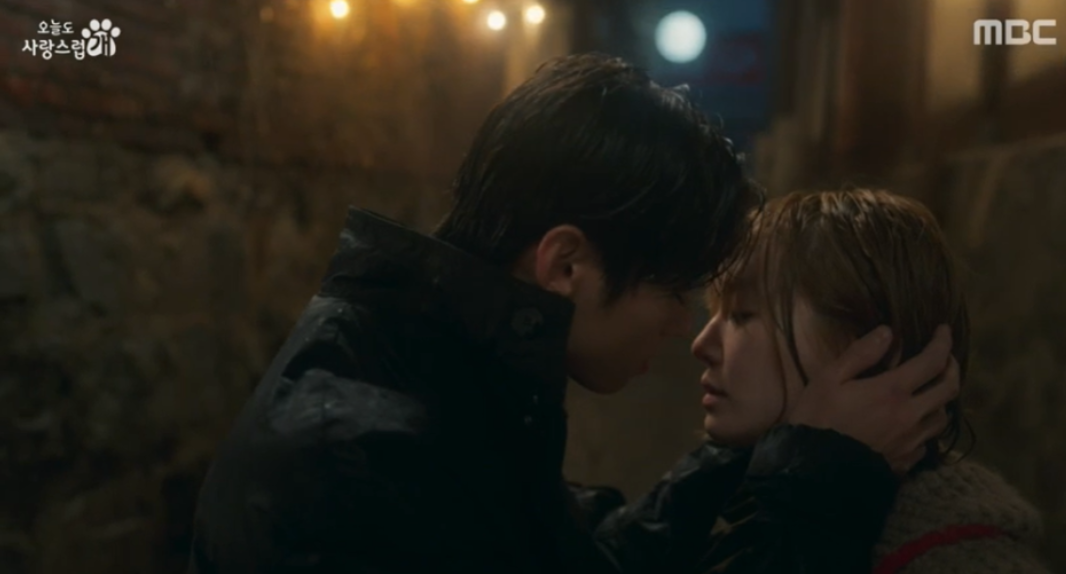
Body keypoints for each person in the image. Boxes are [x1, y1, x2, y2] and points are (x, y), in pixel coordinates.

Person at [188, 54, 959, 574]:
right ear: (565, 266)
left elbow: (577, 559)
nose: (685, 331)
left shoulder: (428, 370)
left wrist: (763, 451)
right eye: (675, 291)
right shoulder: (367, 464)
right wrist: (821, 491)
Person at [684, 189, 1049, 573]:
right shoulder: (730, 504)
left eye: (741, 315)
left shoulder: (961, 560)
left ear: (872, 346)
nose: (701, 344)